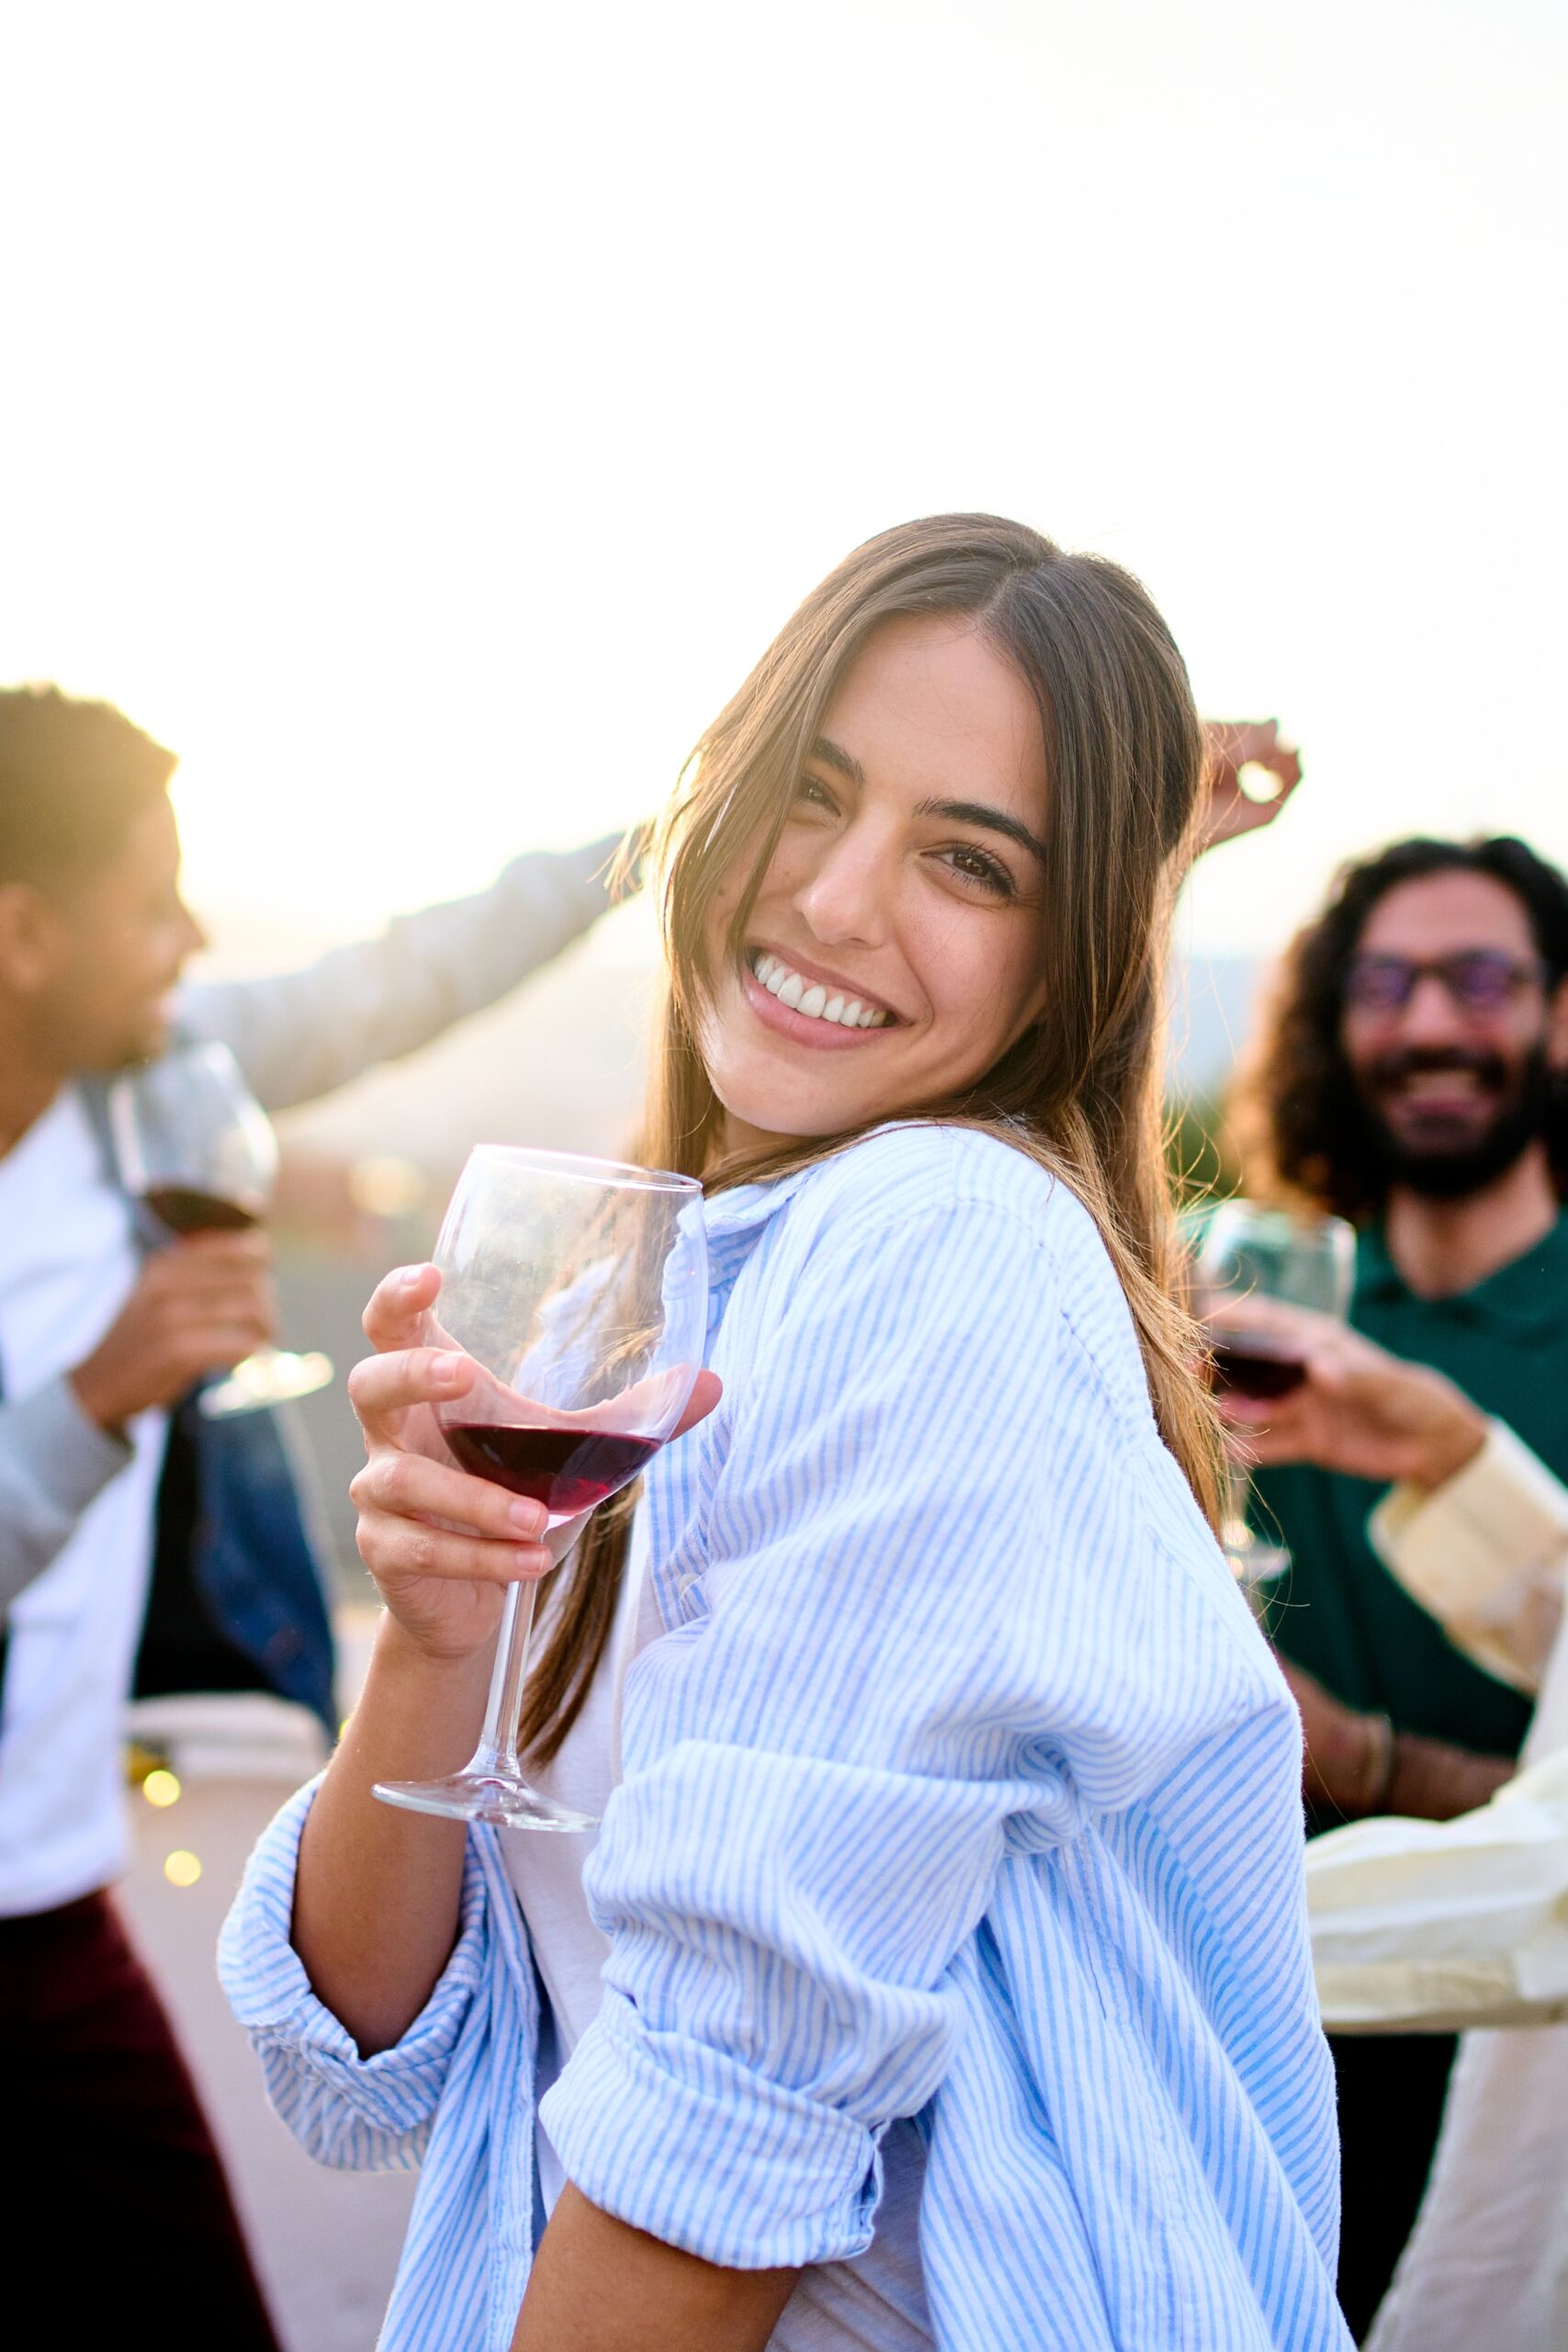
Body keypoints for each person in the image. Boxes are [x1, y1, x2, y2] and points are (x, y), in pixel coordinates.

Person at [221, 514, 1349, 2351]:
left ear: (1066, 961)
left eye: (965, 862)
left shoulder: (943, 1241)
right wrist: (440, 1643)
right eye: (807, 793)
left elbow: (722, 2120)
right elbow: (361, 2069)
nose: (833, 896)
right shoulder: (678, 1278)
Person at [0, 683, 626, 2343]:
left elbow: (402, 979)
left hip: (43, 1902)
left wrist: (672, 828)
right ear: (22, 935)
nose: (189, 936)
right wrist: (86, 1406)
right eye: (152, 904)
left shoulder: (147, 1081)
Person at [1216, 832, 1568, 2335]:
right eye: (1386, 981)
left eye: (1481, 978)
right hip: (1253, 2108)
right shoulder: (1263, 1308)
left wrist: (1363, 1761)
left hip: (1508, 2095)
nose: (1431, 1022)